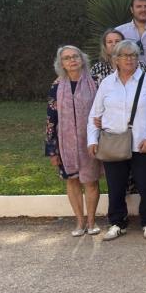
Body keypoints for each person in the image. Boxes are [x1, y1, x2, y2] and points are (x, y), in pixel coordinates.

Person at [87, 40, 146, 241]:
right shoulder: (106, 84)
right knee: (116, 185)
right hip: (113, 143)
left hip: (143, 144)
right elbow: (95, 114)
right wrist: (92, 140)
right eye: (125, 55)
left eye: (133, 55)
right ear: (116, 60)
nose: (129, 59)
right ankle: (117, 222)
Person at [45, 46, 102, 236]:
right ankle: (80, 222)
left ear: (82, 59)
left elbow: (104, 109)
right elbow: (51, 118)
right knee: (72, 180)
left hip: (91, 140)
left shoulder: (95, 82)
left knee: (91, 181)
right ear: (61, 63)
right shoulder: (57, 85)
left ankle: (92, 222)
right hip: (65, 143)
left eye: (75, 56)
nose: (72, 60)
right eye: (67, 58)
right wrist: (52, 150)